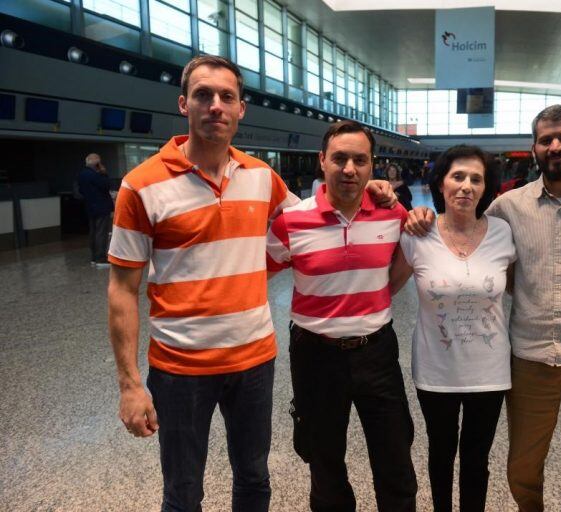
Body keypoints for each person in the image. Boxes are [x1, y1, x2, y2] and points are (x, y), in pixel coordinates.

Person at [107, 56, 396, 511]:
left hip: (253, 361)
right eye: (203, 95)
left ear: (242, 109)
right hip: (180, 368)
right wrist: (129, 385)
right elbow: (122, 289)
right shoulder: (140, 186)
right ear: (184, 104)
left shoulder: (262, 177)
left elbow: (314, 220)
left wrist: (369, 188)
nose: (215, 106)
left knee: (255, 480)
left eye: (227, 97)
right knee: (182, 492)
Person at [406, 104, 561, 511]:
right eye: (546, 139)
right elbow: (465, 230)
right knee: (521, 470)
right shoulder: (509, 209)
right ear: (535, 148)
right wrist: (418, 215)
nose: (556, 145)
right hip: (530, 361)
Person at [266, 120, 417, 512]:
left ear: (372, 167)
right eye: (339, 158)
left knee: (396, 458)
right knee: (324, 460)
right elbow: (254, 272)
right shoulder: (292, 222)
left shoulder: (392, 214)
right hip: (315, 354)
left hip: (377, 351)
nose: (349, 168)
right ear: (322, 161)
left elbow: (412, 259)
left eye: (359, 160)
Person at [389, 145, 515, 512]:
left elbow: (524, 287)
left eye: (476, 179)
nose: (466, 186)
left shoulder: (503, 233)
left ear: (485, 188)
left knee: (477, 460)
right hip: (436, 371)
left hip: (490, 371)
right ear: (440, 184)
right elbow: (385, 288)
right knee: (440, 454)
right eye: (457, 176)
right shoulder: (417, 234)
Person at [77, 153, 113, 268]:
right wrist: (104, 173)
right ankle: (101, 258)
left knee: (93, 232)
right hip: (101, 207)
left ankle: (93, 257)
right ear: (97, 164)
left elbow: (80, 191)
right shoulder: (96, 175)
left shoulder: (81, 174)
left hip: (89, 206)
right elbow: (106, 185)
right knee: (101, 233)